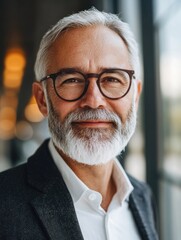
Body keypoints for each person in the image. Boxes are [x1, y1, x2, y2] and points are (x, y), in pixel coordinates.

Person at [0, 8, 158, 240]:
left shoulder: (143, 197)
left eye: (112, 79)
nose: (93, 100)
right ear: (42, 99)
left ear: (135, 95)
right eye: (72, 80)